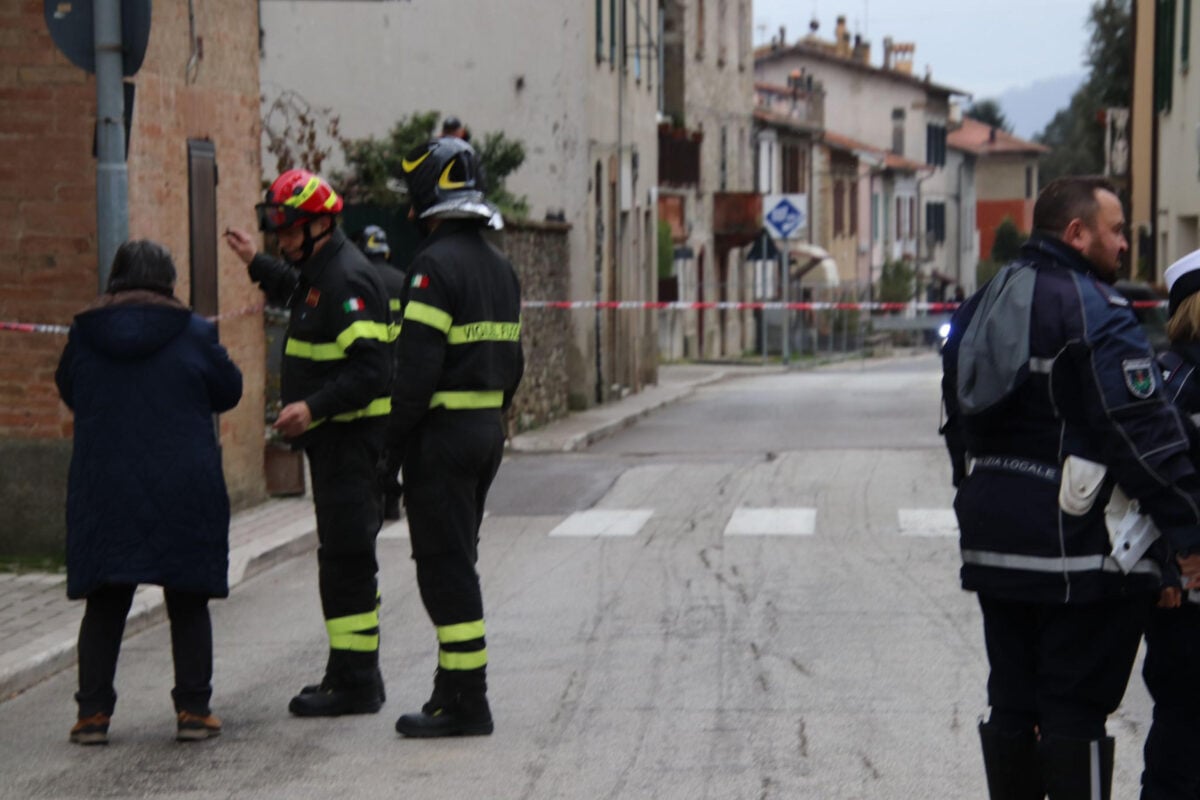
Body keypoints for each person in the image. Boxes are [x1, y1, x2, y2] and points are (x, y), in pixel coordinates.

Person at [941, 175, 1200, 799]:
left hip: (992, 541)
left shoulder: (980, 304)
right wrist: (1187, 528)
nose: (1122, 247)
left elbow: (957, 421)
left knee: (1012, 702)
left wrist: (968, 498)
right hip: (1072, 548)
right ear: (1076, 232)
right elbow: (1140, 431)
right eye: (1114, 232)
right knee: (1073, 710)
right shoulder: (1095, 311)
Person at [55, 239, 243, 745]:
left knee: (106, 599)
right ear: (168, 281)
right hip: (184, 484)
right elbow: (230, 391)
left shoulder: (84, 332)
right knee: (187, 596)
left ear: (115, 278)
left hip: (105, 485)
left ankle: (92, 715)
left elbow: (69, 389)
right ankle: (193, 711)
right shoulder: (194, 332)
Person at [224, 169, 392, 717]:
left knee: (347, 561)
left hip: (351, 442)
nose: (284, 241)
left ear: (322, 223)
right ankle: (347, 672)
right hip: (335, 444)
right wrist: (255, 262)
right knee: (339, 559)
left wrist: (312, 407)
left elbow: (373, 372)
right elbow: (296, 287)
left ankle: (358, 682)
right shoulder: (320, 271)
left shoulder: (347, 280)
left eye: (291, 231)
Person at [381, 137, 523, 737]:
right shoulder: (500, 267)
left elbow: (413, 377)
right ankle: (450, 689)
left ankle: (469, 701)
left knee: (445, 570)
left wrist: (387, 453)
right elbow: (512, 363)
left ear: (423, 195)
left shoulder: (432, 268)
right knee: (457, 560)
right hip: (484, 432)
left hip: (440, 439)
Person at [1140, 250, 1200, 799]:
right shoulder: (1173, 382)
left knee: (1178, 737)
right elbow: (1154, 482)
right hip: (1186, 582)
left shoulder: (1164, 376)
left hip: (1180, 586)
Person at [356, 224, 406, 521]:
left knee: (371, 448)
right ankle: (391, 500)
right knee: (396, 442)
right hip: (402, 374)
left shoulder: (361, 283)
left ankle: (378, 500)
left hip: (373, 375)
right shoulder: (403, 281)